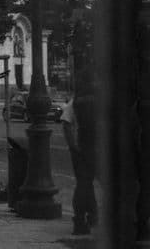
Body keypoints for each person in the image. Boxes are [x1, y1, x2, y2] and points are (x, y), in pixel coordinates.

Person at [61, 72, 97, 235]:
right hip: (99, 147)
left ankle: (81, 219)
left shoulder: (76, 102)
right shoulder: (101, 100)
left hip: (81, 148)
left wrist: (73, 146)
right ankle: (94, 214)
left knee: (84, 184)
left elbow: (66, 124)